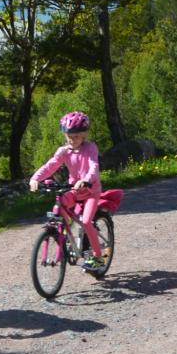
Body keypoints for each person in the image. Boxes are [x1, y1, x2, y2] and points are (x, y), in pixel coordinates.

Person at [29, 110, 110, 274]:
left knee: (86, 221)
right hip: (74, 189)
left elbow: (93, 167)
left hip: (90, 191)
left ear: (84, 134)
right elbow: (50, 166)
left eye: (76, 136)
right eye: (69, 136)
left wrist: (86, 179)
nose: (72, 140)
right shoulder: (64, 151)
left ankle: (98, 257)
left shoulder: (90, 148)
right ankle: (63, 233)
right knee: (58, 207)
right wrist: (35, 178)